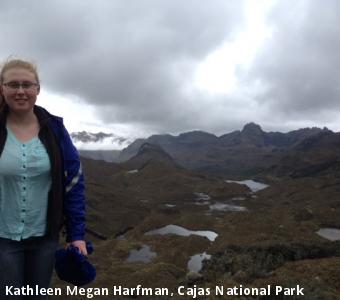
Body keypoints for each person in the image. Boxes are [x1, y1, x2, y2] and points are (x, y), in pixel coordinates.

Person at [0, 58, 87, 299]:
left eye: (27, 85)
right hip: (3, 239)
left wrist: (76, 234)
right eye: (13, 84)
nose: (20, 91)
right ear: (2, 88)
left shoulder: (54, 129)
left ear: (38, 89)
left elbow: (74, 181)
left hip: (44, 239)